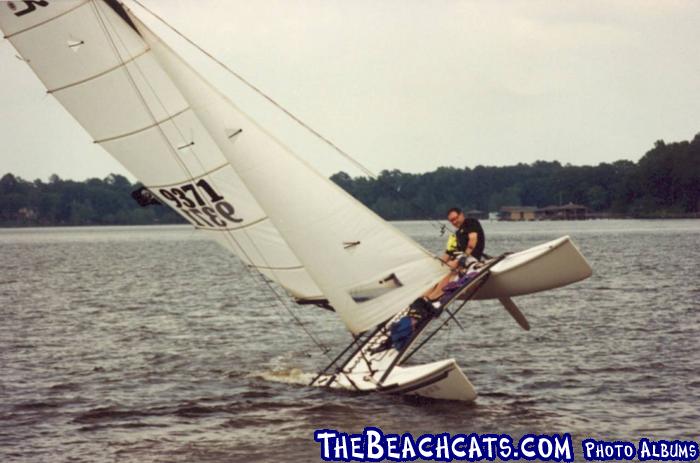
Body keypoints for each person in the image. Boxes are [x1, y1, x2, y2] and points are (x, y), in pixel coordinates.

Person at [420, 207, 486, 306]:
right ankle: (423, 296)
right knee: (439, 268)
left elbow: (473, 240)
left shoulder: (471, 222)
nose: (454, 222)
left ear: (461, 215)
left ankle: (434, 296)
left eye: (455, 218)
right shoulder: (457, 233)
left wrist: (464, 256)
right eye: (451, 221)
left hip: (471, 258)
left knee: (450, 266)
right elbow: (449, 252)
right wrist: (438, 263)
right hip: (460, 257)